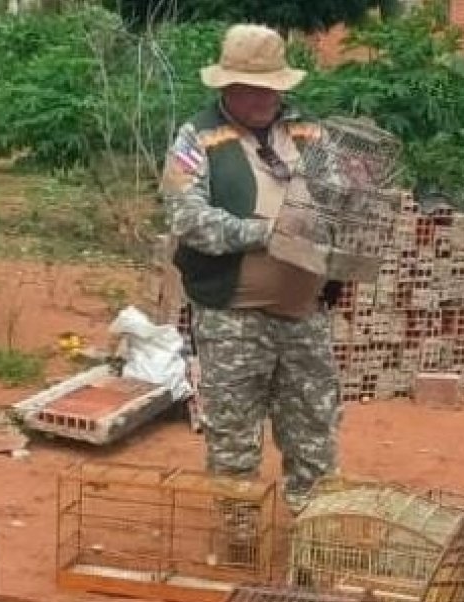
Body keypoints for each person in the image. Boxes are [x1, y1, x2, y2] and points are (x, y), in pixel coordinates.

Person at [160, 23, 340, 514]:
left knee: (314, 432)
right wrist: (267, 233)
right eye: (253, 88)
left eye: (273, 88)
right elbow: (189, 220)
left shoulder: (308, 131)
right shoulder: (197, 138)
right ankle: (241, 535)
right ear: (227, 86)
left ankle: (314, 533)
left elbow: (340, 200)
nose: (265, 98)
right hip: (232, 317)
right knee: (234, 438)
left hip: (303, 314)